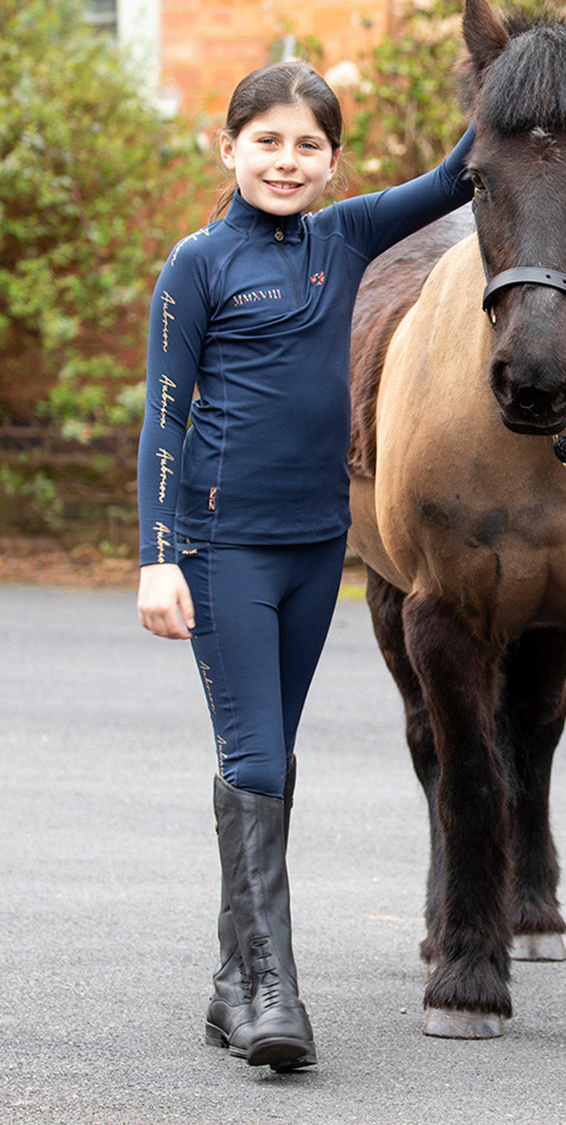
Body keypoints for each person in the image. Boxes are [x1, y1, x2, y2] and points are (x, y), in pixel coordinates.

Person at [135, 60, 474, 1072]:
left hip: (318, 546)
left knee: (269, 757)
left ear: (333, 161)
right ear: (229, 148)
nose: (286, 161)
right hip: (223, 546)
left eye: (308, 146)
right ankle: (272, 994)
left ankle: (230, 986)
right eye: (268, 142)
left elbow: (453, 178)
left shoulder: (346, 237)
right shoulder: (197, 264)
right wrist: (158, 558)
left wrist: (513, 80)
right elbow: (164, 419)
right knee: (255, 758)